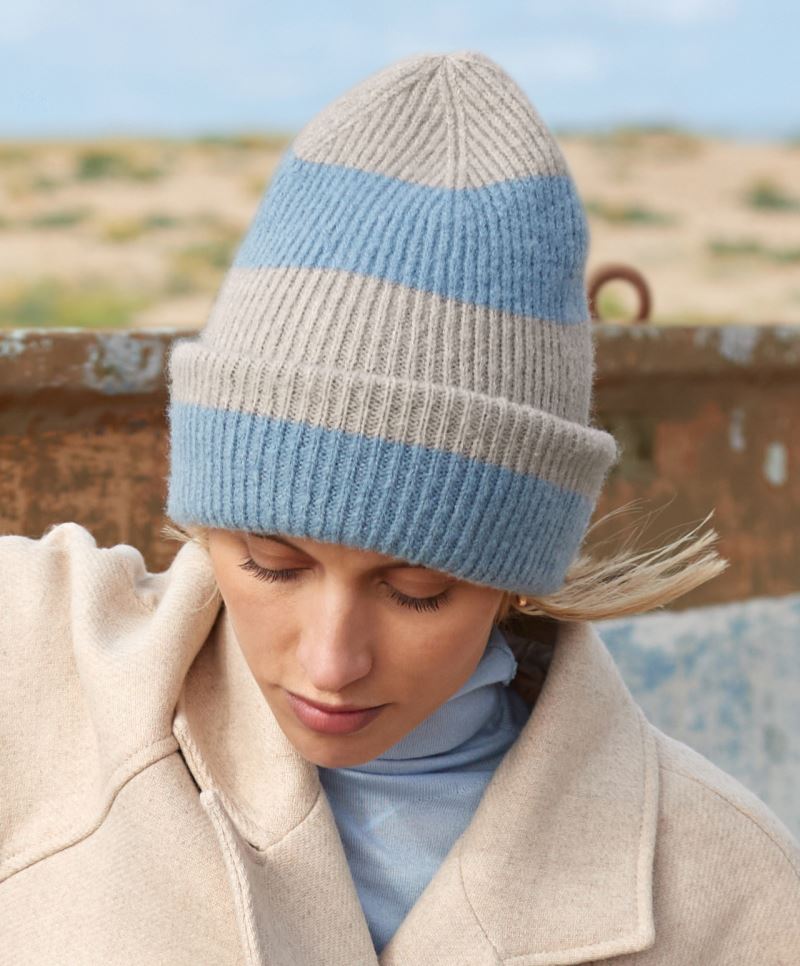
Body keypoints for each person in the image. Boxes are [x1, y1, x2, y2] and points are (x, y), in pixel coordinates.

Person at [1, 50, 798, 966]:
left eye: (418, 589)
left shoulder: (731, 891)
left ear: (514, 576)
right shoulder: (39, 659)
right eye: (272, 563)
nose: (331, 663)